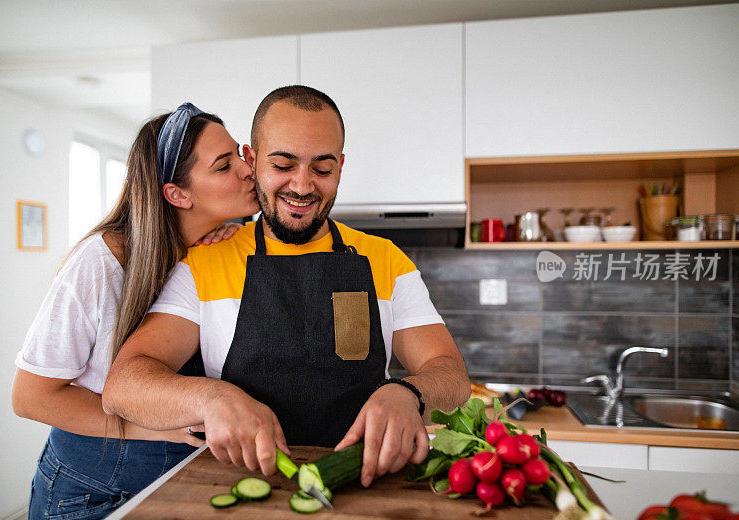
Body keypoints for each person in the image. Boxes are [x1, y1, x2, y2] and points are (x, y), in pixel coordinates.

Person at [102, 85, 471, 488]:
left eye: (323, 169)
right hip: (238, 488)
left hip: (362, 487)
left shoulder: (385, 260)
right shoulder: (206, 262)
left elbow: (451, 376)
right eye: (283, 165)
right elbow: (124, 384)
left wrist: (408, 394)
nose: (302, 185)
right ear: (251, 159)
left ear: (341, 167)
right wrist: (212, 399)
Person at [11, 102, 259, 520]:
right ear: (178, 194)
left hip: (175, 478)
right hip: (90, 494)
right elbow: (31, 397)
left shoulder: (217, 250)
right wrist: (146, 427)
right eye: (224, 166)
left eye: (238, 154)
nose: (246, 168)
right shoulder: (101, 263)